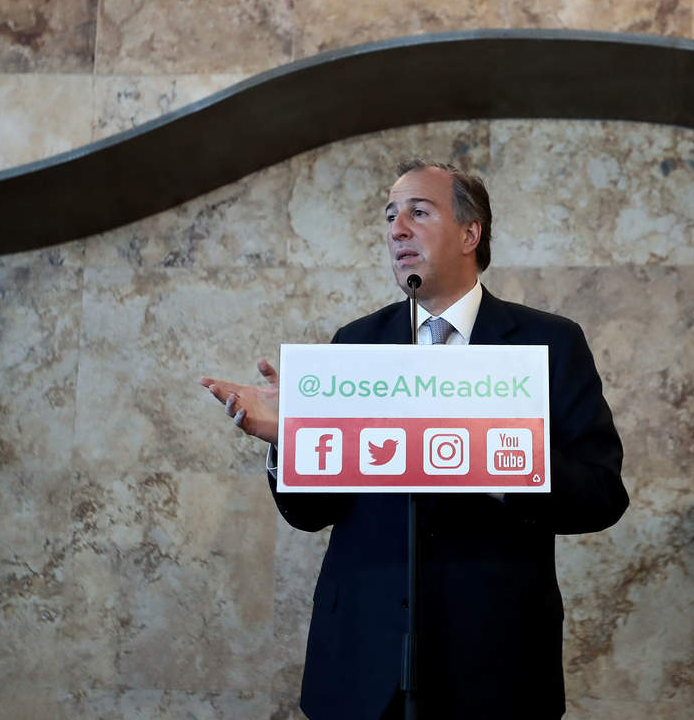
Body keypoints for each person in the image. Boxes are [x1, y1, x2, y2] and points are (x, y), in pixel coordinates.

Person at [200, 160, 627, 720]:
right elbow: (310, 512)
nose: (397, 229)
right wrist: (290, 439)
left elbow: (600, 495)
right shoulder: (354, 346)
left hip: (496, 661)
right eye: (390, 216)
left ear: (470, 234)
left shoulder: (549, 343)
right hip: (362, 659)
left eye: (418, 212)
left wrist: (497, 461)